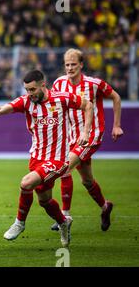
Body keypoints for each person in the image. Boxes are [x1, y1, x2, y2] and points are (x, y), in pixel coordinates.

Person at [0, 70, 93, 247]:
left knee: (26, 183)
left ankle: (19, 223)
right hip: (36, 158)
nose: (29, 94)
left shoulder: (61, 98)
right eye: (27, 90)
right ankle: (64, 221)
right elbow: (1, 110)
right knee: (44, 201)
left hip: (58, 160)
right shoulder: (25, 102)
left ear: (43, 85)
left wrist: (85, 132)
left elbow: (88, 105)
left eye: (32, 90)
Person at [50, 48, 123, 232]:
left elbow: (116, 97)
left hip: (91, 135)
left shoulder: (93, 84)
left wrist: (116, 125)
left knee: (65, 167)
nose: (70, 68)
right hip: (72, 137)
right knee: (87, 181)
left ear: (81, 65)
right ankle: (105, 207)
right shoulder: (59, 84)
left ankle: (64, 216)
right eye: (67, 64)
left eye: (74, 64)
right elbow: (53, 104)